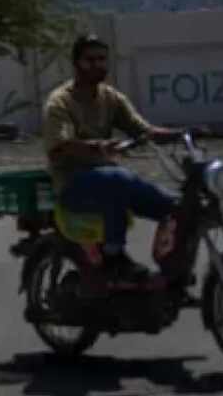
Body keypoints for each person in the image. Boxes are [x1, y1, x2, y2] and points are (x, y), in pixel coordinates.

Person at [42, 34, 180, 284]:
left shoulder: (111, 97)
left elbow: (142, 130)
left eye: (102, 59)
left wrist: (181, 134)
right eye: (90, 60)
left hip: (108, 181)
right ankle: (113, 257)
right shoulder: (60, 102)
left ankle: (173, 268)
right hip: (73, 185)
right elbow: (58, 148)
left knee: (176, 206)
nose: (97, 65)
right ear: (76, 63)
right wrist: (97, 147)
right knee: (117, 178)